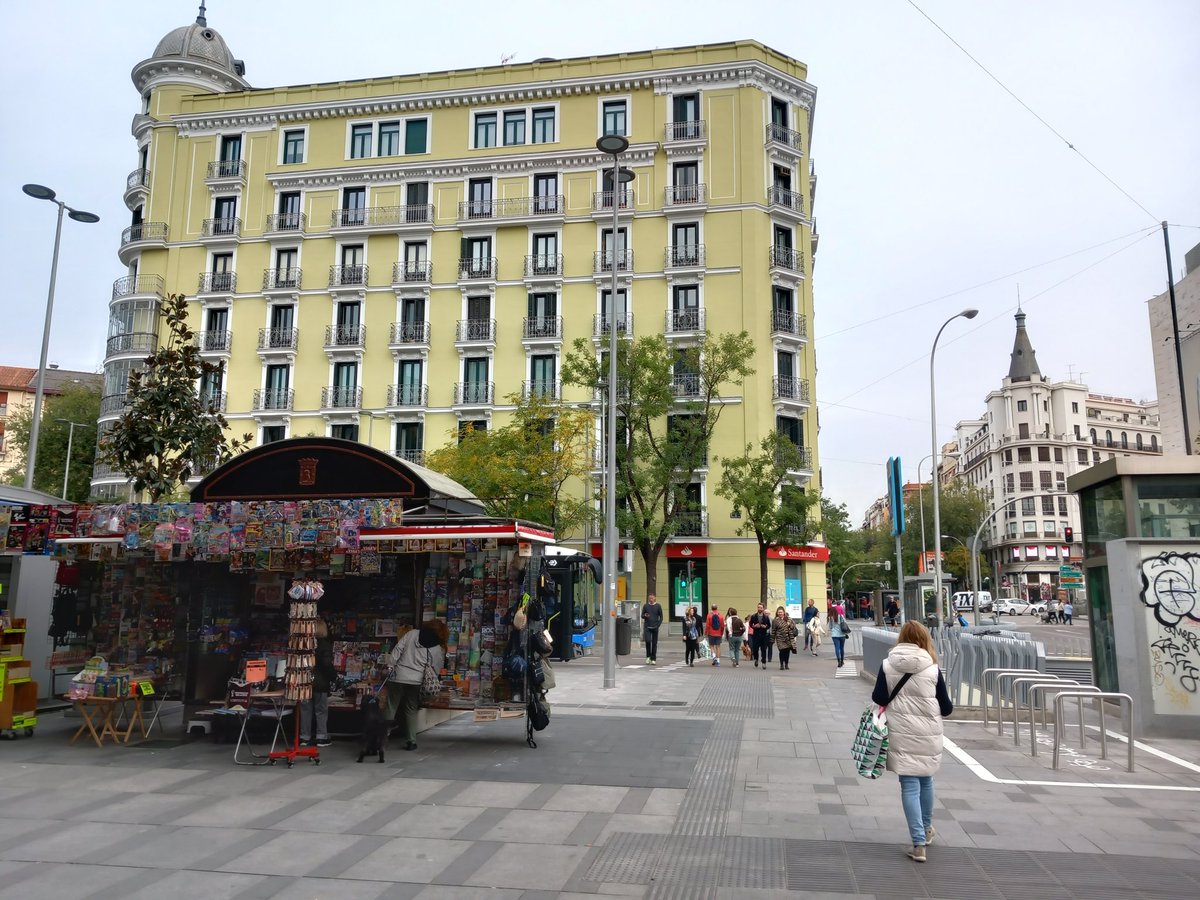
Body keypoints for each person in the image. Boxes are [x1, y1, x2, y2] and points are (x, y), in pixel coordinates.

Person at [871, 621, 954, 863]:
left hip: (900, 731)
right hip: (928, 733)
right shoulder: (932, 668)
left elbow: (878, 697)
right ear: (923, 639)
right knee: (926, 779)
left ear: (902, 638)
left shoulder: (887, 665)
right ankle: (926, 831)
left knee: (909, 785)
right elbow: (946, 708)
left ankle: (918, 843)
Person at [386, 618, 448, 751]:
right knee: (411, 708)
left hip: (398, 676)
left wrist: (390, 665)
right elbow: (435, 666)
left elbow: (397, 650)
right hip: (417, 680)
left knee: (391, 706)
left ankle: (382, 736)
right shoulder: (436, 647)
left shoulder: (412, 633)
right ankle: (411, 741)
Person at [300, 618, 336, 747]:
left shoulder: (304, 643)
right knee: (321, 710)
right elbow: (326, 664)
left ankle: (304, 737)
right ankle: (321, 736)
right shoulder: (324, 645)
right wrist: (334, 677)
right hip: (320, 682)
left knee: (305, 709)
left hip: (304, 681)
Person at [748, 603, 772, 668]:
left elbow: (769, 625)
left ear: (763, 608)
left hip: (764, 636)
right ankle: (756, 659)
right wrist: (754, 626)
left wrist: (765, 627)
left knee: (763, 649)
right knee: (755, 649)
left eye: (761, 608)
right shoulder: (753, 616)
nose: (759, 609)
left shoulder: (766, 617)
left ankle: (764, 662)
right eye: (758, 607)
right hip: (755, 635)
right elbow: (750, 624)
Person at [641, 593, 663, 665]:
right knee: (647, 641)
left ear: (655, 598)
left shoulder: (658, 606)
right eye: (649, 598)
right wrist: (645, 615)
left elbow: (661, 617)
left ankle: (653, 659)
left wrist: (658, 625)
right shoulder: (646, 606)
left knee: (654, 643)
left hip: (655, 627)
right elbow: (642, 615)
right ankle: (648, 656)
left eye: (652, 598)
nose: (650, 599)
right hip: (647, 627)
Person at [829, 603, 849, 668]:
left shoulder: (831, 618)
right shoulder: (841, 616)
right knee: (842, 648)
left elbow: (830, 627)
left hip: (834, 635)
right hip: (842, 634)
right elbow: (845, 624)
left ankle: (838, 661)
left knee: (837, 648)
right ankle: (842, 661)